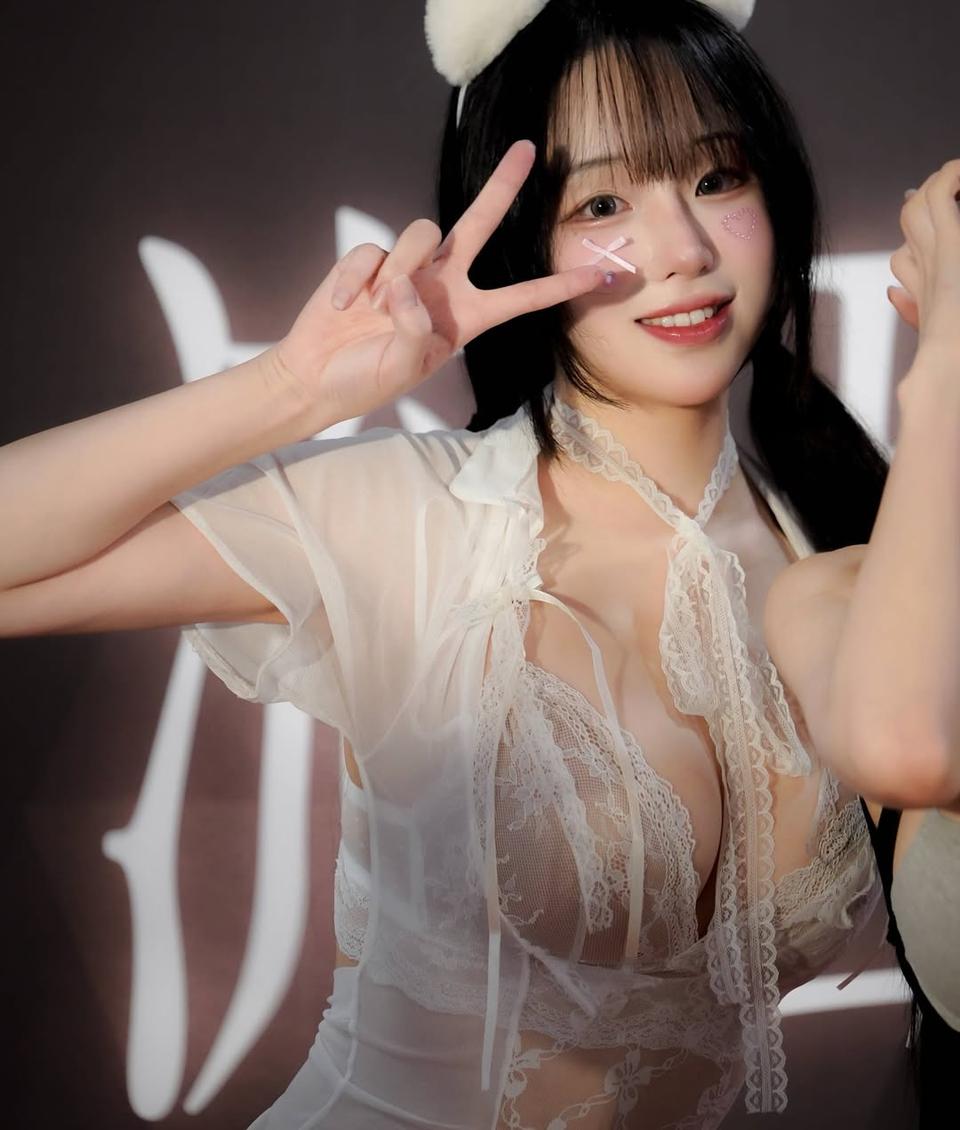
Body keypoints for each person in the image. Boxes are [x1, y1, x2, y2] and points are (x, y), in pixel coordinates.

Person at [1, 0, 957, 1126]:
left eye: (715, 178)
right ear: (523, 240)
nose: (682, 252)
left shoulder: (846, 545)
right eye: (602, 203)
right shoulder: (423, 519)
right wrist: (291, 389)